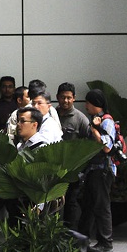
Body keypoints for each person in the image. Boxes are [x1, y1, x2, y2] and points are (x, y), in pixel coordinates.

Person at [81, 89, 116, 252]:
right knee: (89, 204)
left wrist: (94, 129)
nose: (86, 105)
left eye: (88, 102)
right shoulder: (96, 120)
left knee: (102, 205)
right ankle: (84, 238)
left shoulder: (106, 121)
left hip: (103, 169)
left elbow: (107, 147)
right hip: (93, 169)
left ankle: (105, 241)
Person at [56, 83, 90, 229]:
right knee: (53, 202)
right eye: (63, 97)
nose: (65, 101)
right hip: (54, 168)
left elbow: (88, 146)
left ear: (74, 98)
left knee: (71, 203)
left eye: (69, 98)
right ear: (57, 97)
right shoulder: (52, 114)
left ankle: (70, 235)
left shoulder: (81, 119)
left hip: (73, 170)